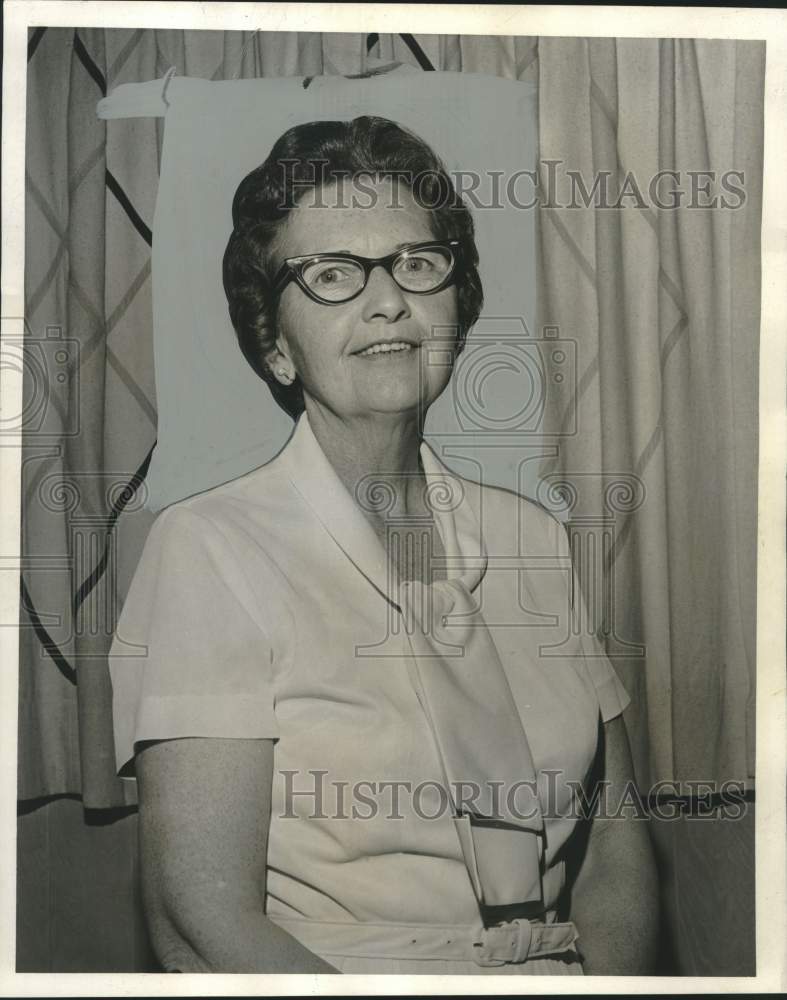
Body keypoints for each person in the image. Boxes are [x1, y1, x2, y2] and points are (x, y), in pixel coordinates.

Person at [108, 116, 658, 975]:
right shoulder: (209, 551)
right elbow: (202, 917)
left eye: (416, 262)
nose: (387, 299)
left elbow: (617, 857)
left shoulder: (536, 539)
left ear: (456, 302)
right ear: (274, 345)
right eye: (332, 275)